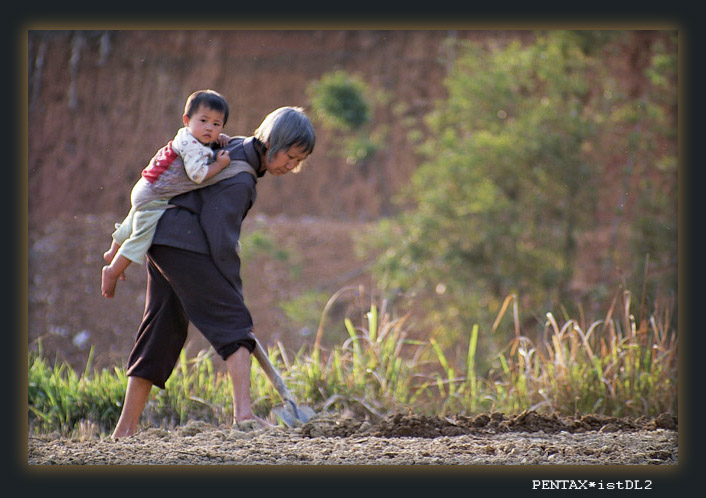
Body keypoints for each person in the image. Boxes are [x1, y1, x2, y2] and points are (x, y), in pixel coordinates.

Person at [111, 106, 315, 438]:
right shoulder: (241, 179)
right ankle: (245, 416)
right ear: (272, 143)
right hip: (183, 243)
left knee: (161, 329)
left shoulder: (229, 145)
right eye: (289, 157)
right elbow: (220, 236)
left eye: (297, 162)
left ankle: (124, 430)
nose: (290, 167)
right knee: (234, 322)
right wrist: (231, 287)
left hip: (160, 238)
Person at [102, 89, 251, 298]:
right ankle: (112, 271)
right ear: (186, 120)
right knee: (141, 236)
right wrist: (219, 164)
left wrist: (218, 138)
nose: (209, 128)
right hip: (156, 196)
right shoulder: (192, 147)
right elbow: (198, 175)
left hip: (146, 187)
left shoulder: (188, 137)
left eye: (216, 124)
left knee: (132, 219)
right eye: (204, 121)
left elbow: (206, 140)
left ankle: (112, 251)